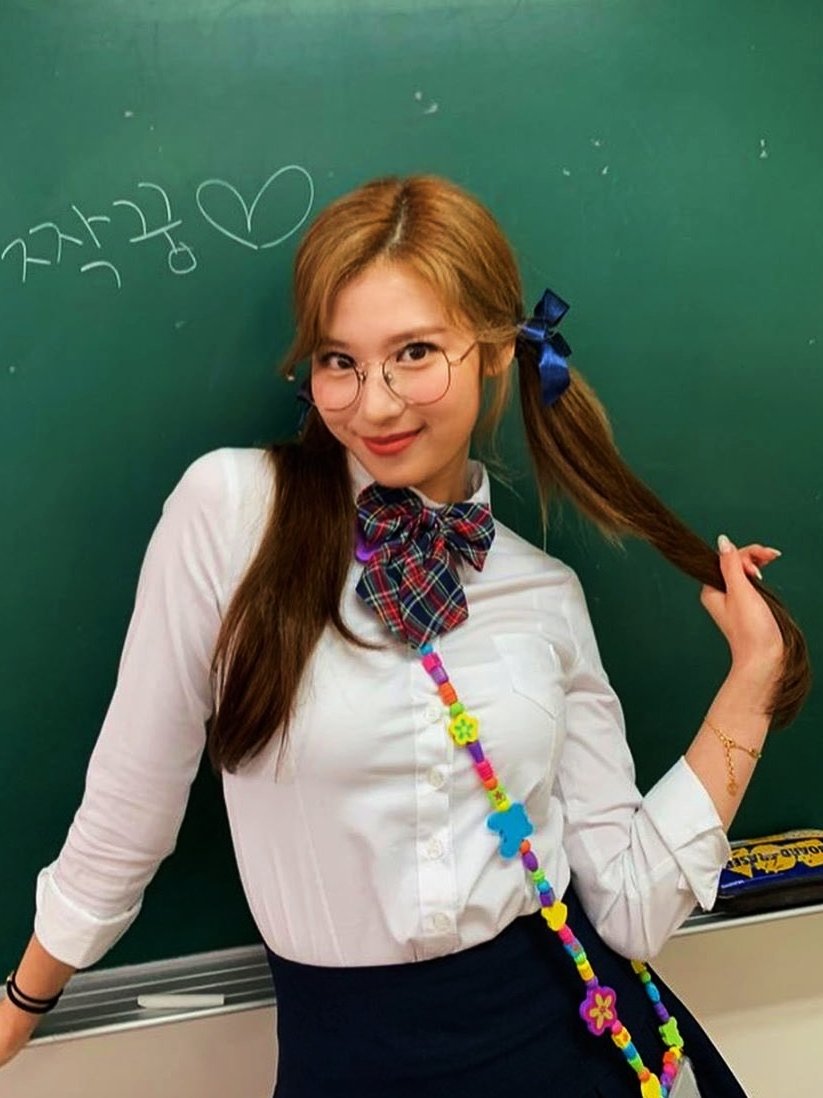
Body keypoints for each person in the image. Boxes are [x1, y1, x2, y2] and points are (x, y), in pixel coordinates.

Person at [0, 175, 810, 1097]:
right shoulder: (229, 515)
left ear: (498, 350)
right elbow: (125, 813)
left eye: (415, 352)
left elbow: (626, 908)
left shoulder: (543, 595)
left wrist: (753, 674)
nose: (373, 404)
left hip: (569, 1047)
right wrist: (22, 1005)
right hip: (345, 1063)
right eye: (338, 361)